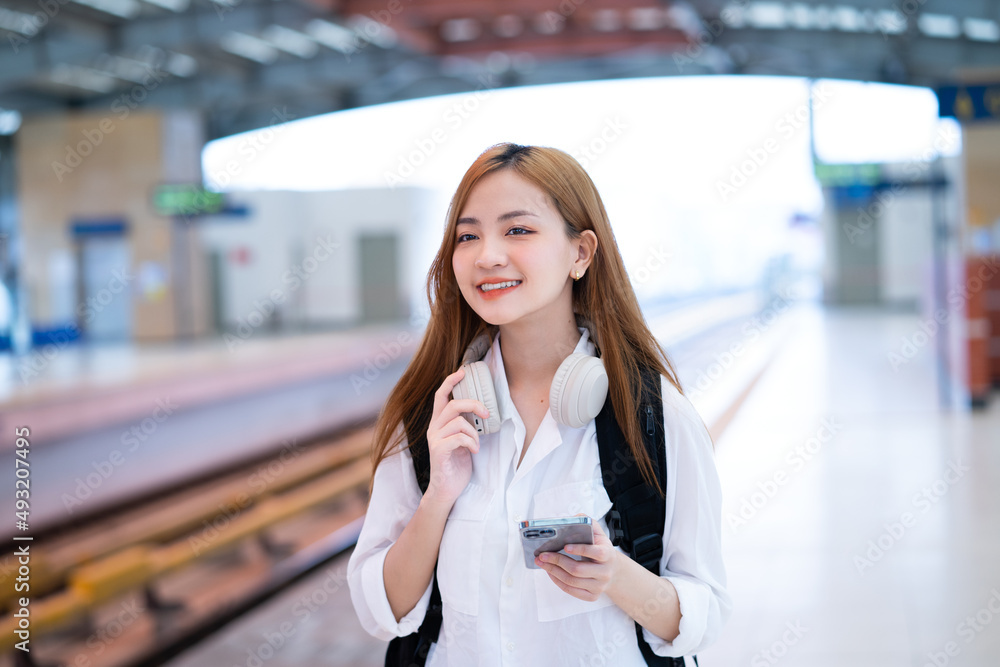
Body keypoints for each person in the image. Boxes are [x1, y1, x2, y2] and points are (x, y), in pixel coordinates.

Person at [347, 142, 730, 665]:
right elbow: (382, 613)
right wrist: (437, 497)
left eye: (518, 230)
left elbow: (704, 615)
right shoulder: (429, 415)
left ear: (581, 253)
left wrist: (617, 577)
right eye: (467, 235)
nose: (487, 255)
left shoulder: (654, 416)